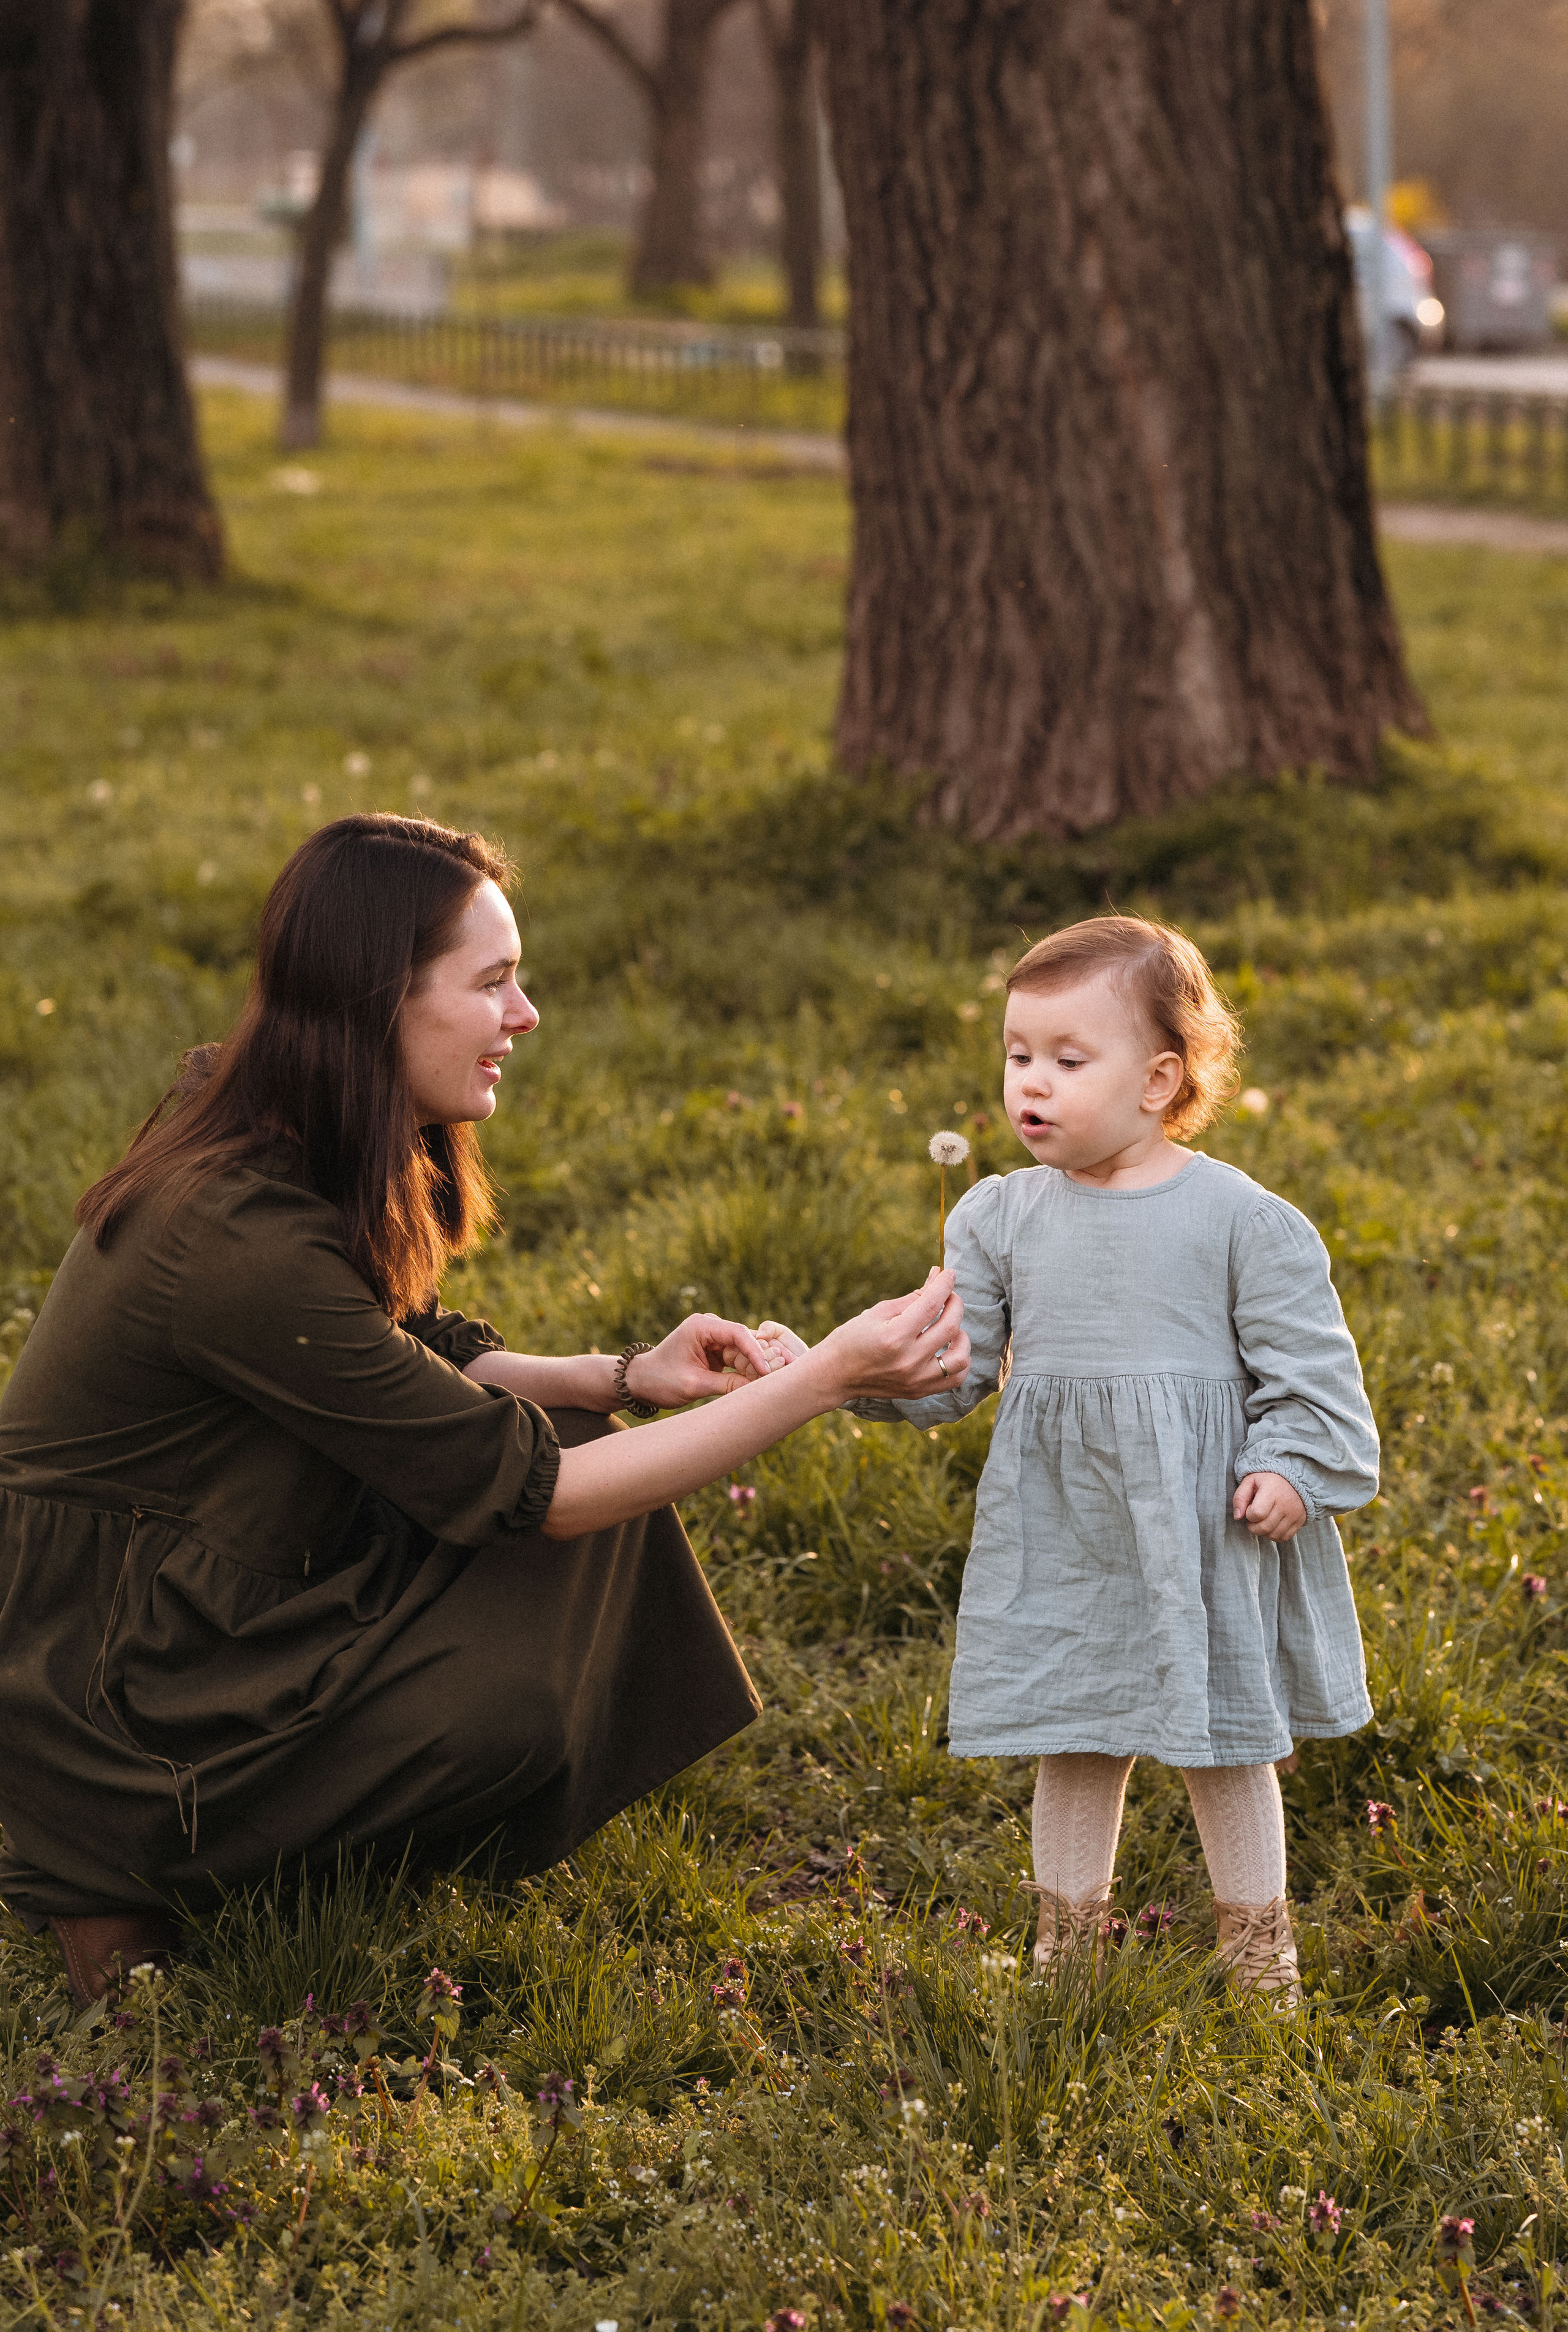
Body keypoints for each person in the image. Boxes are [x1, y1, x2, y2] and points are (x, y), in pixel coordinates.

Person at [0, 814, 970, 2007]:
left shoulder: (276, 1124)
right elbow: (543, 1500)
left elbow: (392, 1360)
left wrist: (623, 1376)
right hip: (114, 1679)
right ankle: (116, 1863)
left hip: (220, 1576)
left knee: (574, 1475)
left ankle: (250, 1840)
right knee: (515, 1666)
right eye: (494, 983)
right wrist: (827, 1379)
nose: (527, 1017)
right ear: (374, 1002)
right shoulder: (230, 1237)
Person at [762, 916, 1379, 1999]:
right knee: (1074, 1729)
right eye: (1016, 1055)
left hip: (1202, 1525)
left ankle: (1260, 1954)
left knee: (1224, 1738)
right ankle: (1069, 1951)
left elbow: (1314, 1378)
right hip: (1067, 1524)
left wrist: (1287, 1465)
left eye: (1066, 1060)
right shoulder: (998, 1216)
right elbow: (955, 1371)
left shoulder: (1242, 1220)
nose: (1029, 1085)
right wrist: (832, 1371)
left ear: (1158, 1081)